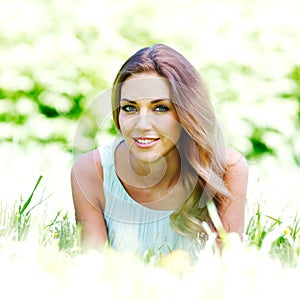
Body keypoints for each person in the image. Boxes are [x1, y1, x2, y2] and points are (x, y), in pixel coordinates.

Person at [71, 44, 248, 257]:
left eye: (160, 108)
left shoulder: (227, 169)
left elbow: (228, 271)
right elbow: (94, 269)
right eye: (130, 108)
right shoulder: (92, 172)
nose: (142, 124)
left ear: (186, 114)